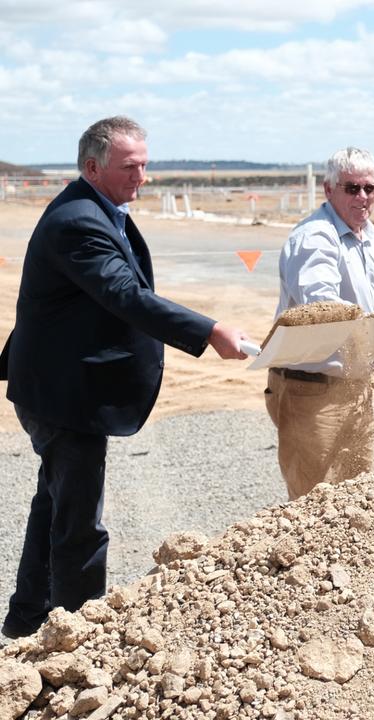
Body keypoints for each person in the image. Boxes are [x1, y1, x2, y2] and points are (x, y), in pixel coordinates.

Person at [0, 116, 249, 639]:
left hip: (59, 385)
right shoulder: (77, 220)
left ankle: (27, 621)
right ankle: (81, 635)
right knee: (79, 524)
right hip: (63, 394)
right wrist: (209, 331)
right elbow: (124, 295)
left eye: (145, 164)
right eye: (131, 166)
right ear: (93, 166)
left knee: (56, 503)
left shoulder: (97, 208)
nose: (144, 177)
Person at [267, 147, 374, 501]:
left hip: (356, 385)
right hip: (312, 391)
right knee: (313, 500)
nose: (364, 197)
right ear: (329, 189)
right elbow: (321, 305)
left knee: (356, 495)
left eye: (371, 188)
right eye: (352, 188)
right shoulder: (315, 238)